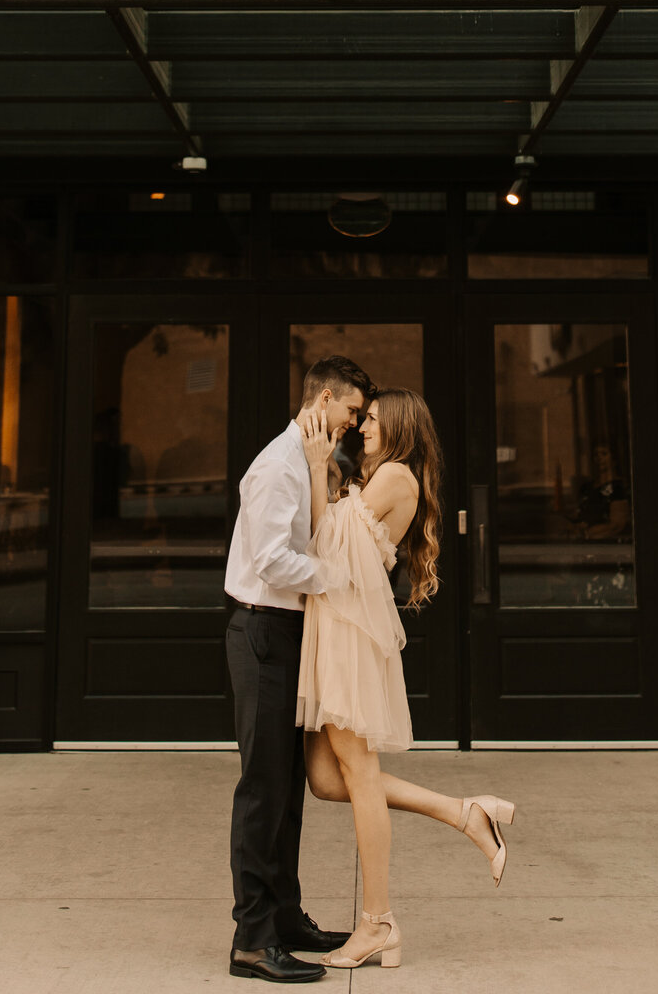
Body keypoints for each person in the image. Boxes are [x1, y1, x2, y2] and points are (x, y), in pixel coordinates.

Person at [297, 388, 516, 972]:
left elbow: (324, 546)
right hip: (337, 633)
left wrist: (320, 469)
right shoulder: (378, 480)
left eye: (371, 419)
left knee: (360, 777)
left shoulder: (395, 475)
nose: (362, 426)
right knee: (324, 778)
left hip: (348, 639)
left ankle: (379, 922)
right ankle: (464, 812)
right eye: (362, 418)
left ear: (398, 426)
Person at [225, 355, 372, 984]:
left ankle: (285, 920)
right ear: (327, 397)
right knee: (262, 790)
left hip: (289, 632)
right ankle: (252, 941)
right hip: (262, 630)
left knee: (286, 791)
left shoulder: (309, 462)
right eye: (353, 411)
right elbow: (273, 560)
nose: (356, 423)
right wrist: (338, 578)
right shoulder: (275, 466)